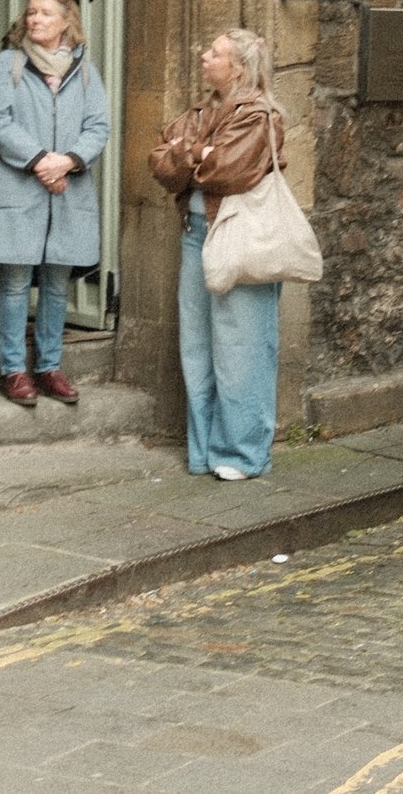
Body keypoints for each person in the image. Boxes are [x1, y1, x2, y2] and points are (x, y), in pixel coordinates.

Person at [149, 28, 286, 481]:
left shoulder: (260, 114)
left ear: (240, 67)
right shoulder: (202, 110)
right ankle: (205, 449)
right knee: (199, 346)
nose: (203, 56)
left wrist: (191, 153)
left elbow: (226, 171)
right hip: (196, 234)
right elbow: (162, 165)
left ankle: (243, 454)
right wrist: (197, 152)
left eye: (215, 53)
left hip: (240, 236)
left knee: (242, 346)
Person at [0, 0, 112, 407]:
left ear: (66, 22)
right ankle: (13, 370)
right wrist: (40, 161)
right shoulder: (9, 64)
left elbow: (98, 126)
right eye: (31, 13)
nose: (35, 20)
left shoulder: (85, 70)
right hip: (20, 187)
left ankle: (50, 366)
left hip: (68, 192)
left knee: (55, 286)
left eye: (46, 14)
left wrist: (67, 161)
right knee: (14, 286)